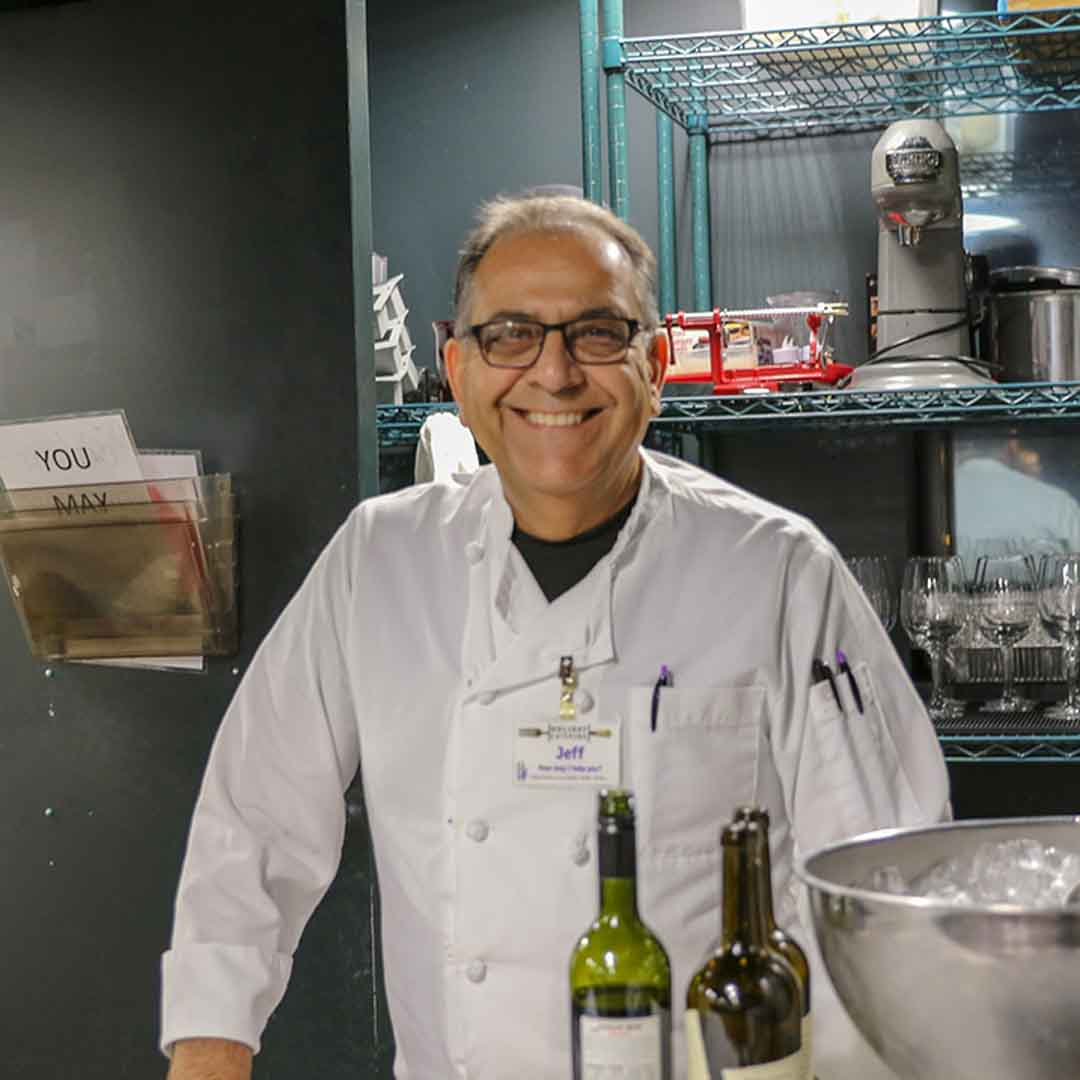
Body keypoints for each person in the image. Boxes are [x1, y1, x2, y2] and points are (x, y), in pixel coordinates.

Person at [161, 194, 950, 1079]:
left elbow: (887, 885)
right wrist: (210, 1050)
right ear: (458, 370)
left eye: (598, 334)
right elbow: (255, 820)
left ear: (656, 364)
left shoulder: (778, 573)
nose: (554, 373)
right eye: (510, 336)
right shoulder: (378, 562)